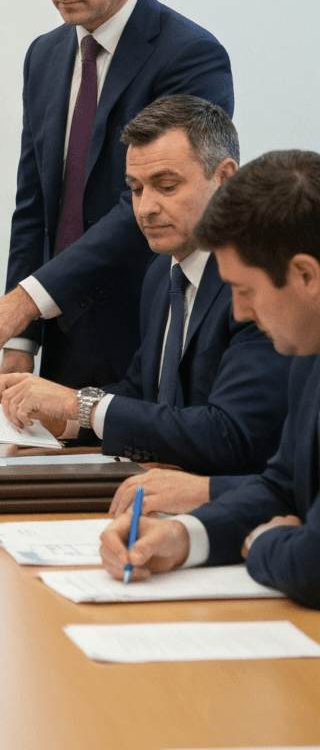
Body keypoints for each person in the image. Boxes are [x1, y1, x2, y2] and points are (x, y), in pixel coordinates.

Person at [0, 0, 233, 391]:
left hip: (144, 332)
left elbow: (147, 206)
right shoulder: (44, 56)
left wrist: (26, 299)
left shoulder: (189, 55)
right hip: (60, 333)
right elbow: (34, 207)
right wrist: (21, 343)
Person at [0, 96, 290, 516]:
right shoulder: (160, 273)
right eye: (136, 189)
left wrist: (80, 405)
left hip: (239, 515)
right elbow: (142, 394)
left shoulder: (261, 285)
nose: (145, 208)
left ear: (225, 178)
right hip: (159, 505)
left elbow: (228, 434)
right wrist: (60, 417)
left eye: (167, 186)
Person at [100, 150, 320, 609]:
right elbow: (282, 488)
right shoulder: (309, 350)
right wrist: (183, 537)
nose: (239, 311)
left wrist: (260, 543)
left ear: (305, 274)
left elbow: (311, 563)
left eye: (245, 290)